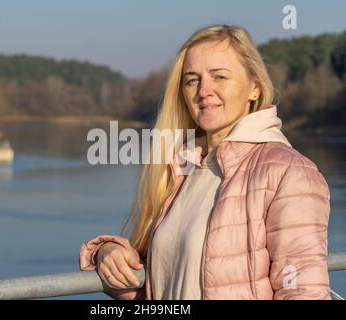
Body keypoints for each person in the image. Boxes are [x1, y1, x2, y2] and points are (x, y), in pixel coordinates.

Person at [79, 24, 331, 300]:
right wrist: (106, 253)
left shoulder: (287, 172)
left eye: (220, 76)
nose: (203, 91)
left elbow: (303, 292)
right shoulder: (181, 168)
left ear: (255, 88)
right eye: (191, 80)